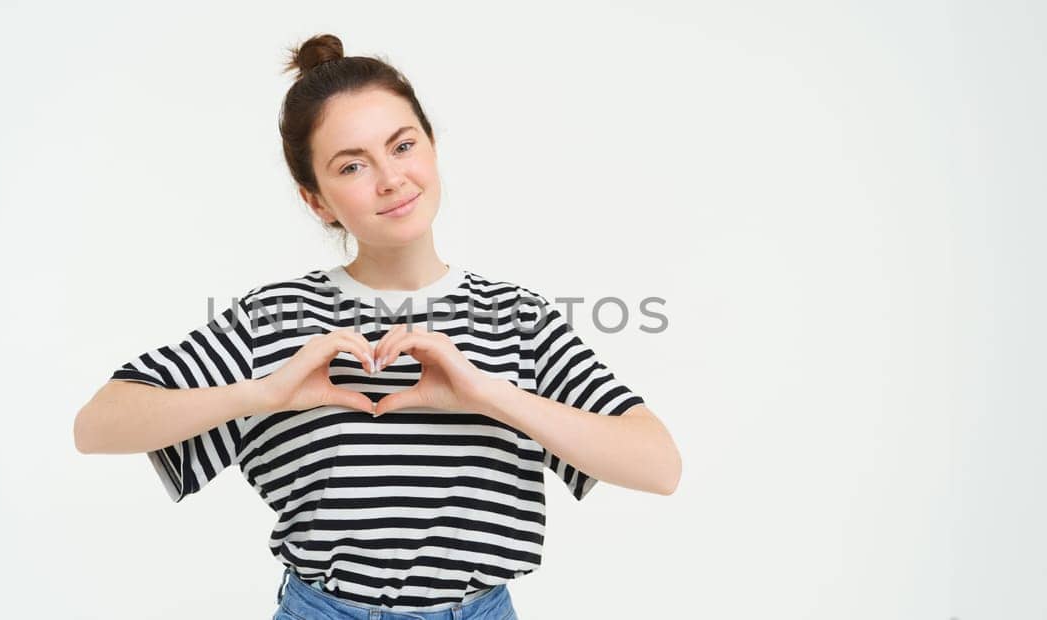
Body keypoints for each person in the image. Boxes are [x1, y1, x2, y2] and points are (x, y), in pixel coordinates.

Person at [73, 33, 682, 619]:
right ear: (317, 200)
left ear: (433, 146)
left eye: (403, 146)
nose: (391, 179)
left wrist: (488, 394)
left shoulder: (517, 320)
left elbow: (658, 466)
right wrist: (265, 393)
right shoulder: (277, 320)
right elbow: (97, 425)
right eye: (351, 166)